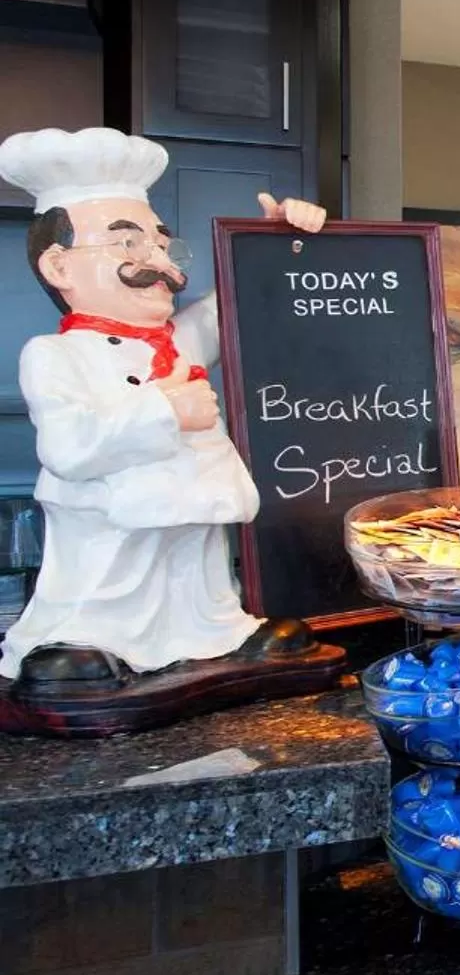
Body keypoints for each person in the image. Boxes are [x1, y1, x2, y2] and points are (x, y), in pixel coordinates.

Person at [0, 126, 329, 689]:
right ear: (60, 267)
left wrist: (274, 239)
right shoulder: (54, 355)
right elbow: (67, 449)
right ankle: (90, 639)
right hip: (108, 529)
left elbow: (235, 302)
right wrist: (165, 410)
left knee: (196, 572)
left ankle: (215, 633)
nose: (156, 260)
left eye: (160, 243)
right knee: (110, 580)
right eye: (127, 244)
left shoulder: (178, 338)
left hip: (193, 511)